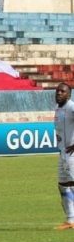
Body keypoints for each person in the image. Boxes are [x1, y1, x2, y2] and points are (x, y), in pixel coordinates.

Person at [54, 82, 74, 230]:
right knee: (63, 185)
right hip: (63, 154)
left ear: (69, 94)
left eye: (63, 91)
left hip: (72, 154)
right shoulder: (58, 108)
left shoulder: (71, 107)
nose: (59, 93)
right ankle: (70, 220)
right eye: (57, 91)